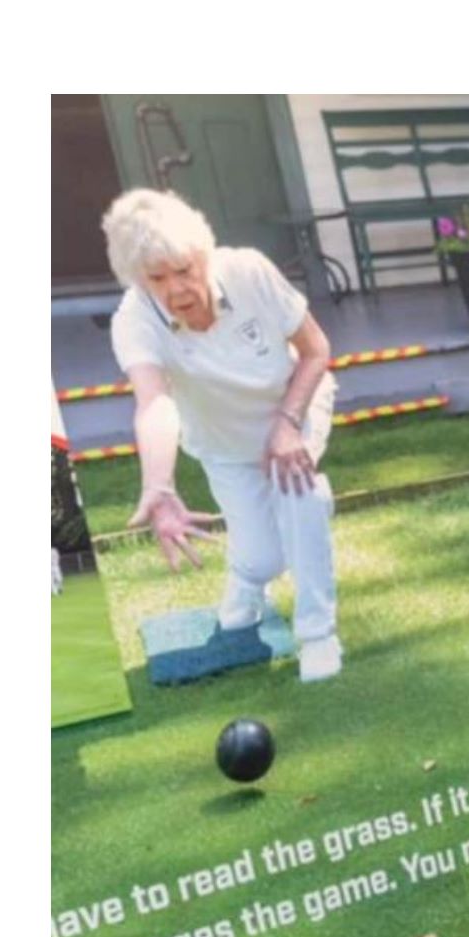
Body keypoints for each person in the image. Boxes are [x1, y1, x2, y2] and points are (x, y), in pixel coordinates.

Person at [102, 189, 344, 682]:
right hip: (221, 438)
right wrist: (159, 486)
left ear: (205, 255)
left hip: (290, 407)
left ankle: (318, 633)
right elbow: (155, 402)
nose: (176, 289)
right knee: (262, 558)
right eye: (157, 278)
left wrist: (287, 421)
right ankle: (246, 580)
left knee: (303, 495)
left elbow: (316, 350)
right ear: (137, 279)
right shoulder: (133, 318)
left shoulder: (250, 270)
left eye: (184, 270)